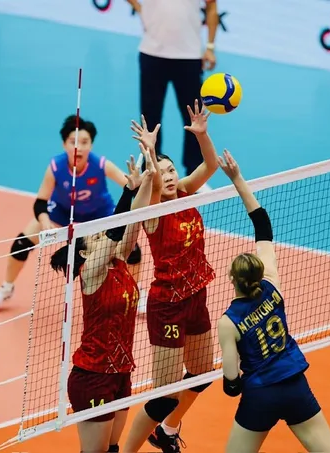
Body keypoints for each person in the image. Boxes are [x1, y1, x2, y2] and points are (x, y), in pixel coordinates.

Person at [214, 149, 330, 453]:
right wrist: (237, 178)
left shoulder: (228, 322)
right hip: (294, 384)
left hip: (260, 395)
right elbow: (262, 224)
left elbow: (231, 384)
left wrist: (236, 383)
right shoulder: (272, 284)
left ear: (231, 279)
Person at [122, 101, 219, 453]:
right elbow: (149, 189)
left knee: (202, 374)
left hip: (196, 296)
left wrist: (202, 134)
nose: (169, 175)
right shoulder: (154, 212)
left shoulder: (186, 193)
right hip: (168, 306)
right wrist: (150, 155)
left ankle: (167, 429)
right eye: (161, 172)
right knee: (165, 394)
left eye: (171, 169)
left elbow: (211, 165)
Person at [50, 145, 157, 453]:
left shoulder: (119, 260)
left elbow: (135, 219)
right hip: (93, 376)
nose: (102, 238)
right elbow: (114, 233)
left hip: (121, 373)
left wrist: (148, 174)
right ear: (84, 253)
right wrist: (126, 191)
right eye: (95, 238)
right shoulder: (91, 272)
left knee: (112, 449)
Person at [0, 114, 141, 310]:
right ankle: (6, 288)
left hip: (100, 215)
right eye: (73, 142)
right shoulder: (55, 167)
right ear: (64, 144)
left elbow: (131, 185)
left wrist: (141, 185)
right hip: (62, 213)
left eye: (84, 142)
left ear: (91, 145)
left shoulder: (101, 165)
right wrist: (44, 221)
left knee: (133, 251)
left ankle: (137, 292)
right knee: (21, 243)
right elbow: (40, 202)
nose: (78, 147)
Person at [126, 0, 219, 177]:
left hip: (189, 56)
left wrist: (210, 47)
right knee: (150, 120)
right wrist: (139, 8)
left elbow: (212, 5)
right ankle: (151, 174)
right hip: (152, 53)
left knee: (194, 119)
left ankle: (195, 175)